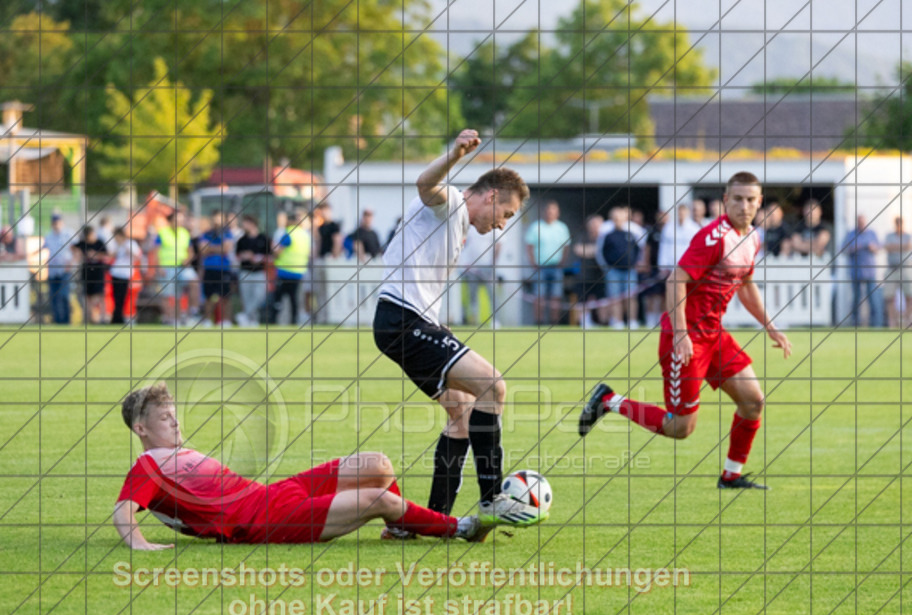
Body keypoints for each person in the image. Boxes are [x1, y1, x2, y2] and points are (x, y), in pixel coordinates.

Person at [373, 129, 542, 536]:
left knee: (462, 417)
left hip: (410, 322)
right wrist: (456, 153)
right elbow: (425, 184)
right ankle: (492, 497)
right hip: (403, 321)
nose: (502, 225)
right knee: (493, 386)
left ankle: (421, 524)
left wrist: (437, 323)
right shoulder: (448, 205)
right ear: (492, 196)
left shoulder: (458, 224)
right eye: (507, 214)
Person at [580, 171, 793, 490]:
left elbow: (745, 284)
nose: (744, 206)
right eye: (737, 199)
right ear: (725, 201)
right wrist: (680, 334)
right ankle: (609, 400)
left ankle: (731, 476)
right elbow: (675, 279)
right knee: (680, 427)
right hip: (686, 337)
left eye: (751, 200)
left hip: (714, 334)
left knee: (753, 401)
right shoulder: (714, 237)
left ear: (759, 203)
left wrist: (771, 327)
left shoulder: (753, 238)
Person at [113, 382, 504, 547]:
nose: (177, 423)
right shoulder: (147, 468)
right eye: (166, 419)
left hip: (273, 495)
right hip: (262, 522)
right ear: (141, 428)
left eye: (176, 415)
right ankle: (461, 529)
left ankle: (402, 530)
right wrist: (141, 545)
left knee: (377, 464)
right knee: (379, 499)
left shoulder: (175, 456)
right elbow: (123, 512)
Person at [596, 206, 646, 329]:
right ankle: (617, 321)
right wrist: (605, 268)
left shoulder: (631, 234)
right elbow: (600, 253)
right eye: (615, 218)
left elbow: (638, 250)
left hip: (629, 270)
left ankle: (632, 321)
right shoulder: (607, 235)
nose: (618, 220)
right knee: (615, 297)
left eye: (620, 218)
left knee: (631, 297)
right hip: (613, 271)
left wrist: (637, 263)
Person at [524, 200, 570, 325]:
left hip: (556, 267)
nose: (550, 213)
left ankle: (554, 322)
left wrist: (562, 262)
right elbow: (529, 246)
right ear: (544, 212)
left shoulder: (562, 227)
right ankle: (539, 322)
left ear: (557, 213)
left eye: (553, 210)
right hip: (540, 267)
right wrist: (533, 262)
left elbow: (566, 246)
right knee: (539, 296)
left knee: (556, 296)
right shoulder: (536, 227)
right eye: (548, 210)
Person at [840, 214, 884, 328]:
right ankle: (855, 324)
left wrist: (872, 247)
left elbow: (878, 247)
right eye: (860, 222)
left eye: (863, 222)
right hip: (856, 272)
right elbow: (843, 249)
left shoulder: (872, 233)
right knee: (856, 299)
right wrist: (857, 246)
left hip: (870, 272)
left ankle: (876, 324)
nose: (862, 224)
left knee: (873, 299)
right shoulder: (850, 234)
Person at [154, 213, 199, 325]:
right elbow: (155, 251)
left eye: (181, 220)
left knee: (192, 284)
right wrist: (158, 267)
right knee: (168, 295)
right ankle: (171, 319)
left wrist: (187, 259)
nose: (179, 222)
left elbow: (190, 251)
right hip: (166, 267)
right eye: (177, 220)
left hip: (182, 267)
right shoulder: (162, 233)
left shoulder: (184, 233)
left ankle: (191, 312)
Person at [458, 217, 502, 326]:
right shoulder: (470, 229)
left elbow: (498, 245)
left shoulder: (494, 228)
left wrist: (493, 264)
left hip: (488, 268)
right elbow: (462, 246)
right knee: (472, 295)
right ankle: (474, 320)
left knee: (492, 295)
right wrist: (464, 262)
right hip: (472, 268)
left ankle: (495, 321)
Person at [272, 212, 311, 325]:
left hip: (285, 271)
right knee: (293, 298)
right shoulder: (305, 234)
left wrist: (273, 251)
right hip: (299, 272)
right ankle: (294, 321)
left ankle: (274, 320)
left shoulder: (289, 233)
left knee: (278, 298)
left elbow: (279, 252)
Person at [199, 211, 236, 327]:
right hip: (209, 269)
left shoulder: (228, 234)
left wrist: (211, 248)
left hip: (223, 269)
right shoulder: (206, 234)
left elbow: (226, 249)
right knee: (209, 296)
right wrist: (218, 248)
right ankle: (207, 320)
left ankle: (226, 321)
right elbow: (203, 250)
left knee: (225, 296)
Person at [235, 214, 271, 326]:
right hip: (245, 272)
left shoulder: (263, 238)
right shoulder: (242, 240)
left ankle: (245, 315)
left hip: (259, 272)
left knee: (260, 296)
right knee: (247, 298)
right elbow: (237, 256)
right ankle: (251, 320)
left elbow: (270, 256)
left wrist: (256, 258)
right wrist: (245, 256)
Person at [572, 214, 607, 327]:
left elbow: (607, 251)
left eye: (597, 224)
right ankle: (584, 322)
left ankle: (603, 322)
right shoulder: (582, 236)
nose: (595, 227)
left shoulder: (605, 238)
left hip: (601, 275)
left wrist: (590, 250)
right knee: (582, 300)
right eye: (593, 224)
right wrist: (596, 250)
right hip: (584, 275)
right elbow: (578, 250)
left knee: (602, 301)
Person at [74, 225, 109, 324]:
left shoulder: (99, 243)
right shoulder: (82, 244)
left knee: (99, 295)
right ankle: (89, 318)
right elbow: (73, 248)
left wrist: (95, 255)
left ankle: (102, 318)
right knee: (87, 296)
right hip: (87, 272)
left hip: (98, 272)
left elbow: (107, 255)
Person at [43, 211, 75, 324]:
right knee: (54, 296)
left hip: (64, 269)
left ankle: (66, 320)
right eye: (54, 222)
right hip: (52, 270)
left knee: (64, 295)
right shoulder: (49, 236)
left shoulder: (68, 234)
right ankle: (57, 321)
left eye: (58, 222)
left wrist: (71, 263)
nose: (56, 224)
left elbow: (75, 250)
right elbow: (43, 248)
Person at [883, 215, 911, 328]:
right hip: (892, 269)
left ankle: (906, 321)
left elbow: (908, 246)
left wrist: (895, 247)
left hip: (905, 270)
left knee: (909, 296)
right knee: (890, 298)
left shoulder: (908, 236)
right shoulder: (889, 236)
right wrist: (902, 246)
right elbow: (887, 247)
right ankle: (892, 323)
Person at [109, 226, 140, 325]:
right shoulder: (116, 244)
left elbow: (136, 256)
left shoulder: (130, 243)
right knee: (116, 297)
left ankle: (118, 317)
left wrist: (126, 247)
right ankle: (116, 317)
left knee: (122, 297)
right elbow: (112, 255)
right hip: (116, 273)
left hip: (125, 274)